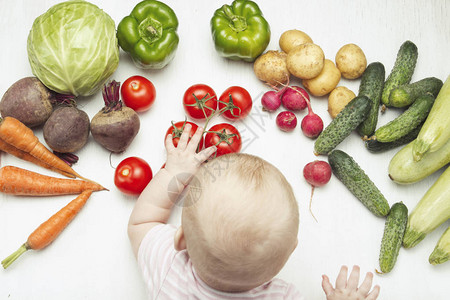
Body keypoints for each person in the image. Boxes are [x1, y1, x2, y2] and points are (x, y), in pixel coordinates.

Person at [128, 124, 380, 300]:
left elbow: (142, 222)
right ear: (289, 253)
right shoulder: (283, 297)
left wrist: (174, 173)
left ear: (180, 240)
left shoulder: (169, 267)